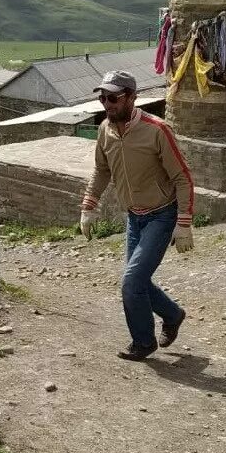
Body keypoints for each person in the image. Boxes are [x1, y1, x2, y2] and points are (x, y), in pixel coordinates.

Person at [80, 70, 195, 361]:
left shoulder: (157, 130)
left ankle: (143, 342)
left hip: (161, 216)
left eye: (114, 98)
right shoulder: (105, 130)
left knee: (131, 283)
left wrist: (184, 223)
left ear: (132, 97)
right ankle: (173, 314)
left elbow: (182, 177)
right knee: (138, 281)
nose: (108, 104)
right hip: (134, 217)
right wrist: (88, 207)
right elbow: (101, 170)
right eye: (103, 98)